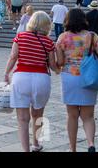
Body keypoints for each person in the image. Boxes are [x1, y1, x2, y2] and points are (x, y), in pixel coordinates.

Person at [4, 11, 59, 152]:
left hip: (21, 77)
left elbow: (13, 56)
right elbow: (52, 65)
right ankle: (36, 144)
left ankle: (26, 150)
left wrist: (6, 73)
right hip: (41, 78)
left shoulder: (20, 37)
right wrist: (60, 69)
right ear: (47, 25)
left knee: (22, 118)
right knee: (38, 115)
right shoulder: (48, 42)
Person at [56, 9, 98, 152]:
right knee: (88, 116)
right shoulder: (92, 36)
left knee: (72, 115)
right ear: (84, 19)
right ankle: (90, 144)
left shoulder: (62, 37)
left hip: (70, 78)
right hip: (88, 78)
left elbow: (59, 61)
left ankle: (73, 149)